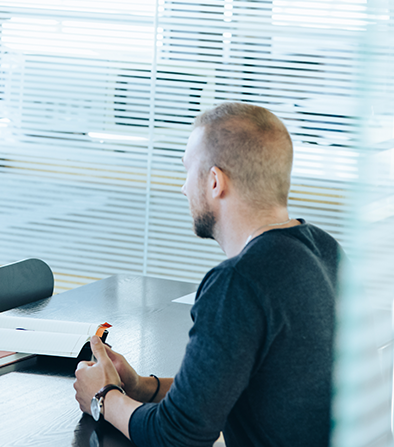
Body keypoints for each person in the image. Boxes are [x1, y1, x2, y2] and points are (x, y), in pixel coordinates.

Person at [74, 102, 341, 446]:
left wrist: (104, 398)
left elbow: (178, 436)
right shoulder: (326, 250)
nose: (184, 188)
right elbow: (232, 387)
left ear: (215, 181)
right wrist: (142, 386)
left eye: (188, 171)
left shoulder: (239, 281)